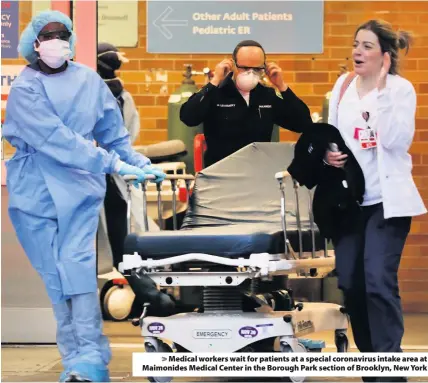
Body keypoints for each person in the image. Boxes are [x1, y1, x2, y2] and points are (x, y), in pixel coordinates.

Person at [2, 10, 165, 382]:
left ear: (72, 39)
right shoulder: (26, 87)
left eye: (63, 33)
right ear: (34, 43)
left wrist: (135, 160)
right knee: (56, 279)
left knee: (77, 272)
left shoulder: (89, 80)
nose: (56, 40)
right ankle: (75, 355)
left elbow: (113, 131)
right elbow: (55, 139)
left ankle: (89, 359)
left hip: (78, 189)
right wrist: (112, 164)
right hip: (35, 191)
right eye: (48, 35)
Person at [326, 19, 426, 381]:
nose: (357, 52)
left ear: (385, 56)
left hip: (388, 203)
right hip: (351, 203)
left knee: (378, 281)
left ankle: (389, 369)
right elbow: (331, 132)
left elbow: (396, 141)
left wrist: (382, 92)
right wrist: (328, 154)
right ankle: (373, 365)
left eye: (367, 46)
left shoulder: (400, 90)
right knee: (351, 284)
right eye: (356, 44)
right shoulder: (343, 85)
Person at [180, 40, 312, 167]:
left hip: (257, 173)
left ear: (263, 69)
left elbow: (302, 124)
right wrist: (214, 81)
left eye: (257, 69)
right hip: (221, 173)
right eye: (244, 68)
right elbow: (188, 117)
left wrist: (282, 86)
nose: (250, 73)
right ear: (233, 65)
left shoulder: (267, 96)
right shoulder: (216, 94)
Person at [97, 42, 139, 271]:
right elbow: (131, 131)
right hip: (109, 173)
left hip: (110, 175)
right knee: (114, 233)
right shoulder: (123, 96)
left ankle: (122, 281)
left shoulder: (122, 97)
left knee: (114, 233)